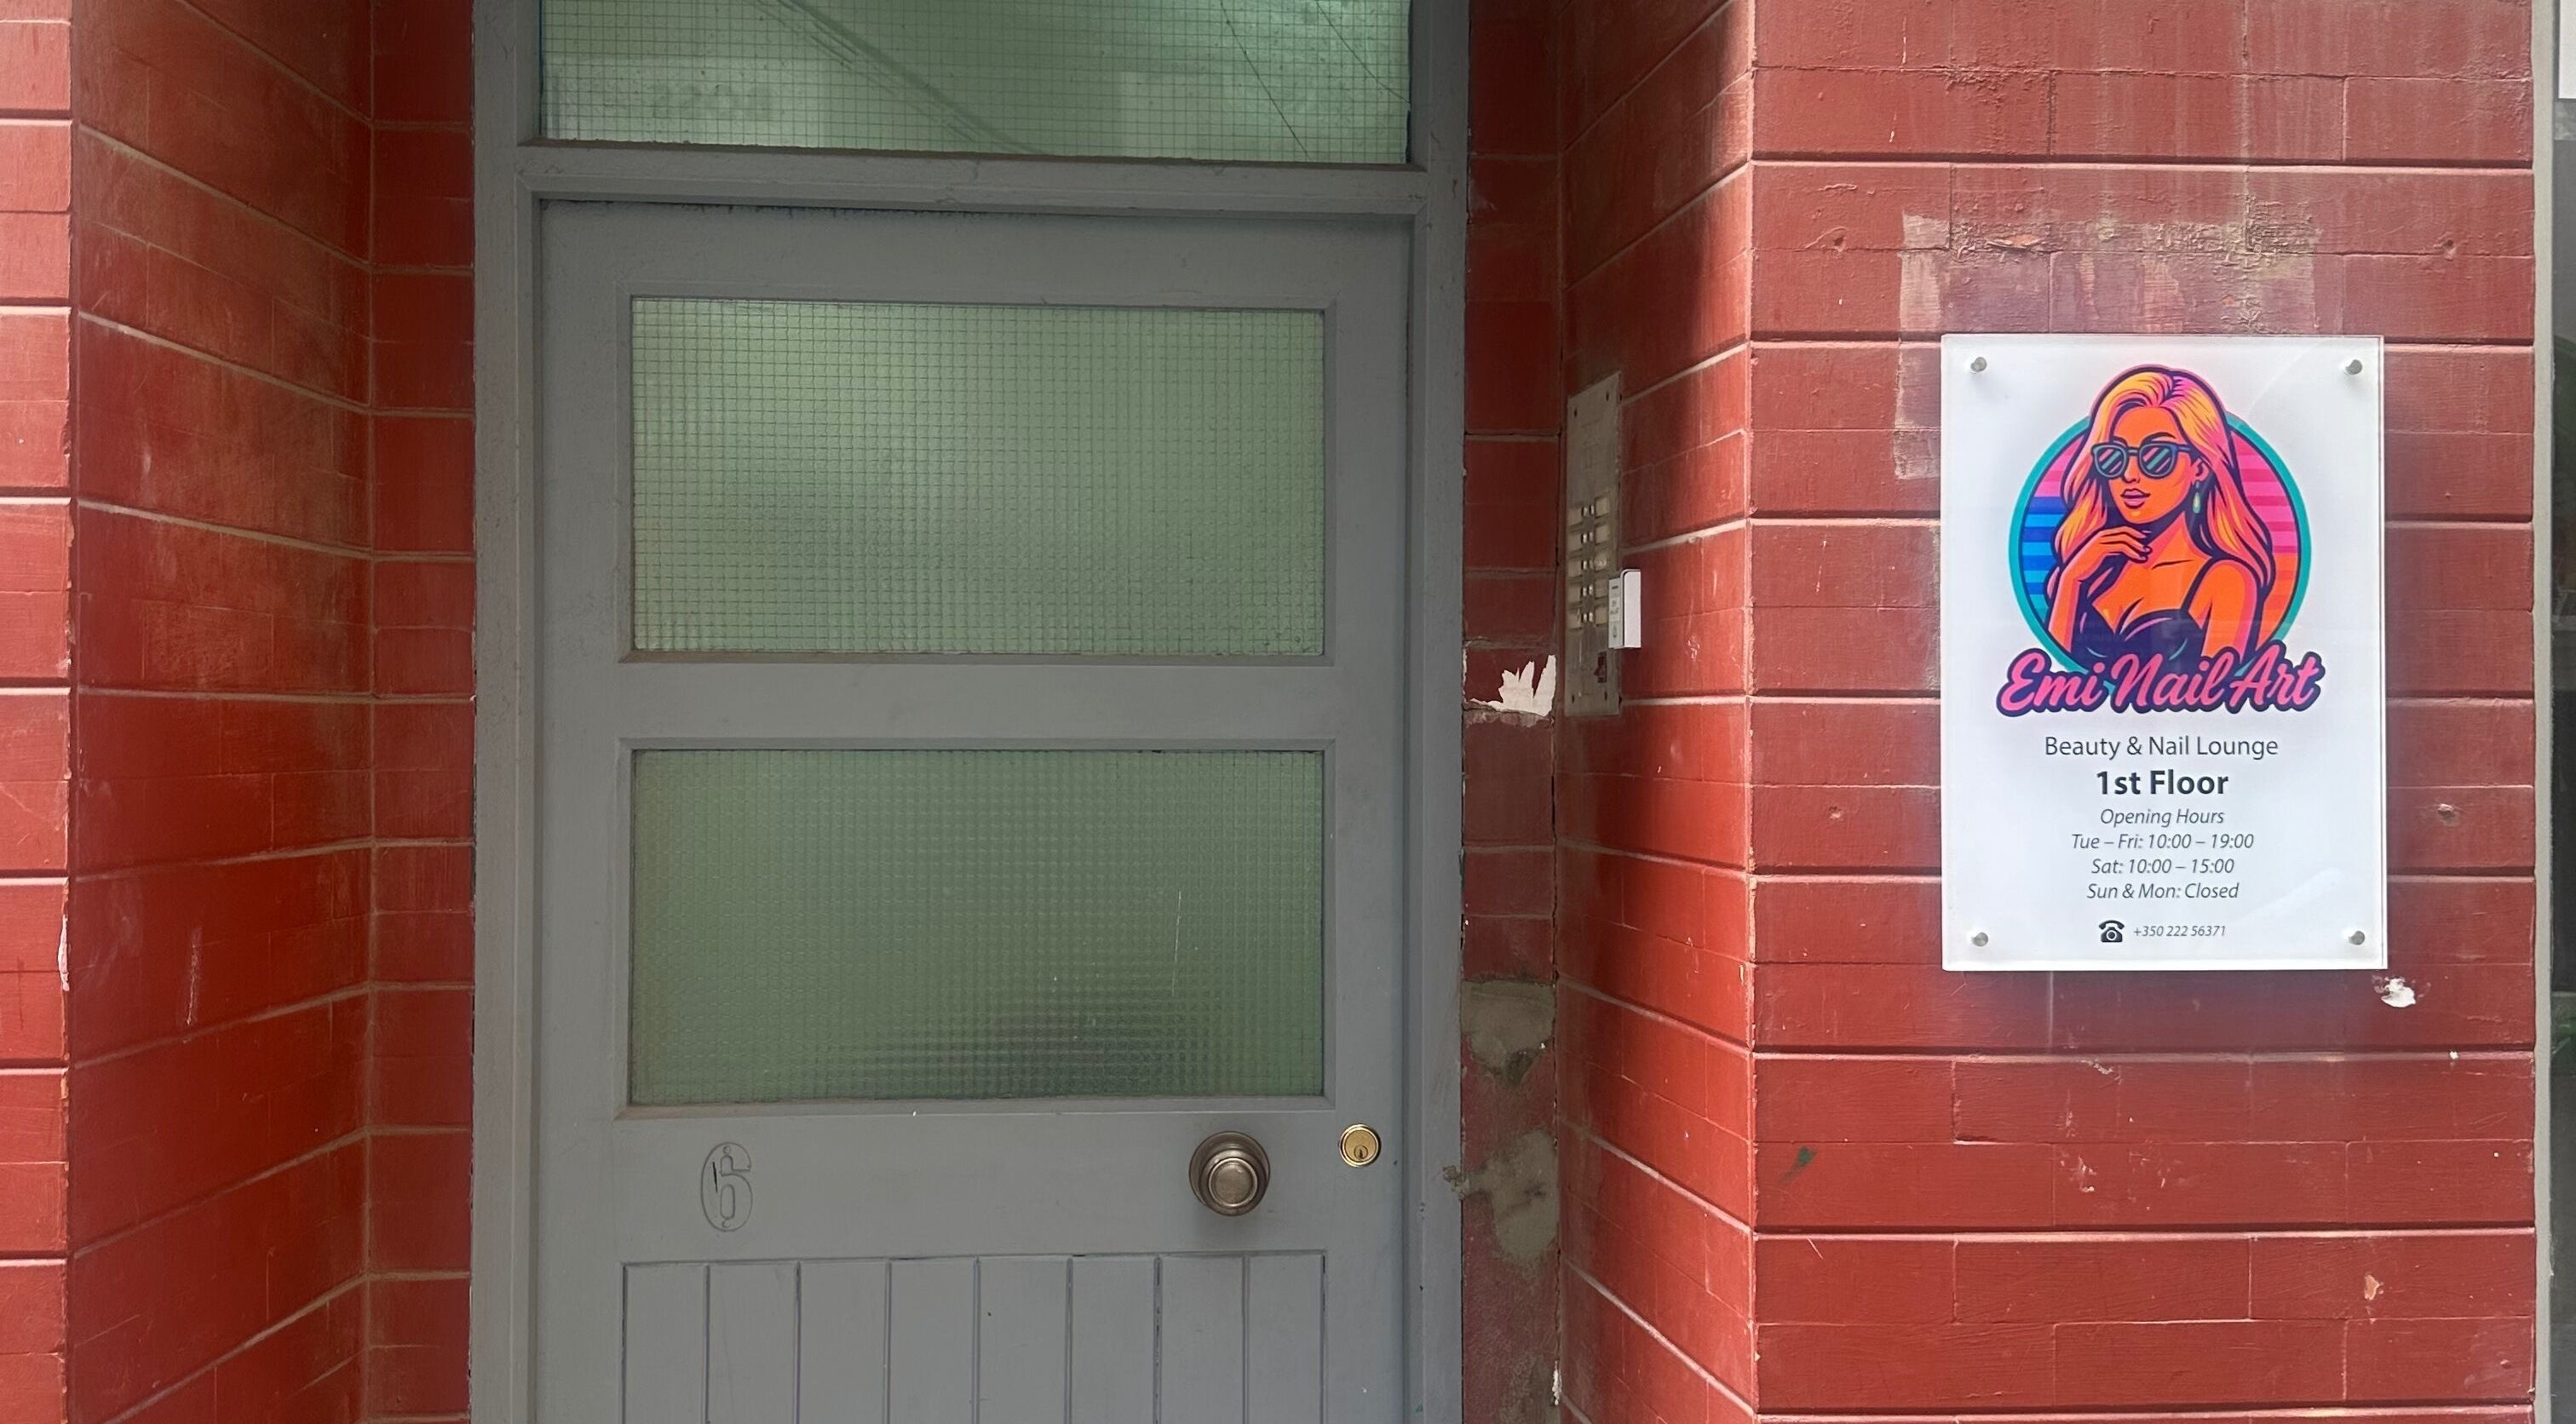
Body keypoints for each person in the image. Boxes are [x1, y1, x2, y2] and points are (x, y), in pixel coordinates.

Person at [2044, 365, 2276, 667]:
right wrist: (2071, 579)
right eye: (2113, 456)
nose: (2129, 475)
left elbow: (2217, 703)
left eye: (2156, 456)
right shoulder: (2092, 568)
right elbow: (2052, 669)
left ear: (2200, 467)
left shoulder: (2225, 579)